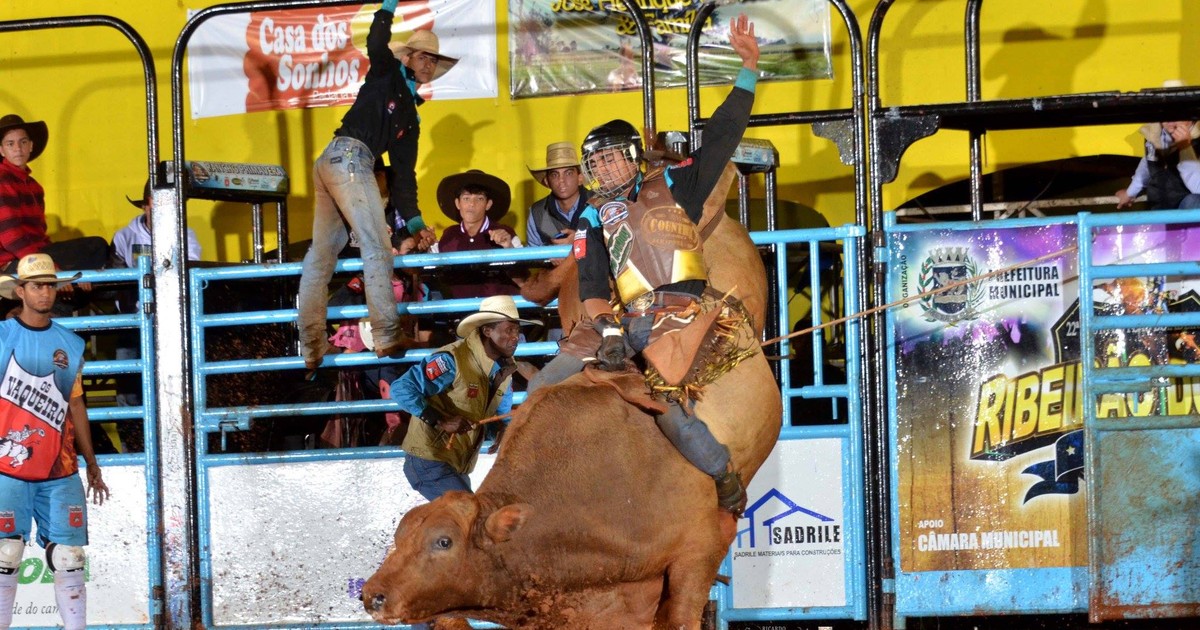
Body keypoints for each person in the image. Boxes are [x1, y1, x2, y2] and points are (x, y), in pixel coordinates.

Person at [528, 14, 761, 516]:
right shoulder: (591, 217)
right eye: (596, 163)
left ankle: (724, 476)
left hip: (679, 310)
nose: (603, 169)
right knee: (541, 384)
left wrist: (748, 68)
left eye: (611, 159)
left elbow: (722, 136)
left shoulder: (677, 185)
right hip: (624, 317)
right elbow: (591, 284)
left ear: (633, 157)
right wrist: (609, 332)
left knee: (670, 409)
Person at [296, 0, 454, 371]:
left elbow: (403, 178)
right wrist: (387, 8)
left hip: (333, 161)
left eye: (433, 60)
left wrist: (415, 223)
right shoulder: (386, 73)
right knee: (377, 245)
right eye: (423, 57)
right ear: (408, 58)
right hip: (351, 158)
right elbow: (377, 42)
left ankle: (311, 346)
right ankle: (385, 333)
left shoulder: (410, 122)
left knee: (322, 255)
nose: (428, 64)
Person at [0, 253, 110, 630]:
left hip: (60, 465)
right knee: (5, 552)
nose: (45, 293)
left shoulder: (70, 344)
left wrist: (92, 463)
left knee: (69, 555)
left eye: (49, 285)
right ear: (20, 291)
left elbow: (76, 404)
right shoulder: (1, 337)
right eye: (36, 286)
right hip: (6, 464)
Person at [388, 295, 539, 500]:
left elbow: (501, 415)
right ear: (487, 331)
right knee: (472, 517)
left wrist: (503, 431)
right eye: (509, 330)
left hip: (455, 464)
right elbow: (401, 388)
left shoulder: (504, 371)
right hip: (429, 461)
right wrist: (441, 420)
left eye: (517, 330)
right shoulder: (452, 360)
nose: (515, 337)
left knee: (467, 522)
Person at [0, 115, 108, 291]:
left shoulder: (34, 186)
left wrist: (58, 265)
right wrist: (49, 268)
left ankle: (73, 288)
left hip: (33, 257)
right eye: (10, 144)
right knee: (95, 249)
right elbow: (11, 238)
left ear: (31, 146)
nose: (18, 149)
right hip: (13, 264)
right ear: (2, 150)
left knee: (96, 249)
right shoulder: (2, 179)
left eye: (23, 142)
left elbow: (40, 235)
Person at [434, 169, 523, 299]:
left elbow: (523, 280)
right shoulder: (447, 237)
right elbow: (428, 272)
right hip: (460, 314)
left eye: (479, 198)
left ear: (488, 204)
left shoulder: (506, 234)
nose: (471, 204)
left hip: (499, 312)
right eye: (466, 198)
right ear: (458, 203)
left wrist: (509, 249)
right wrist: (424, 246)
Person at [1115, 118, 1200, 210]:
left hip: (1186, 209)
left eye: (1178, 111)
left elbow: (1197, 187)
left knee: (1193, 200)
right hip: (1158, 205)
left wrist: (1185, 148)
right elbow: (1147, 163)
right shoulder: (1154, 134)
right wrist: (1130, 192)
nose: (1170, 118)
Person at [525, 142, 591, 248]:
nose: (561, 181)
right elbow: (533, 256)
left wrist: (581, 241)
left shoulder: (598, 204)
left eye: (568, 173)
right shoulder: (538, 212)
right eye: (555, 175)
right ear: (547, 181)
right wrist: (549, 257)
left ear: (580, 178)